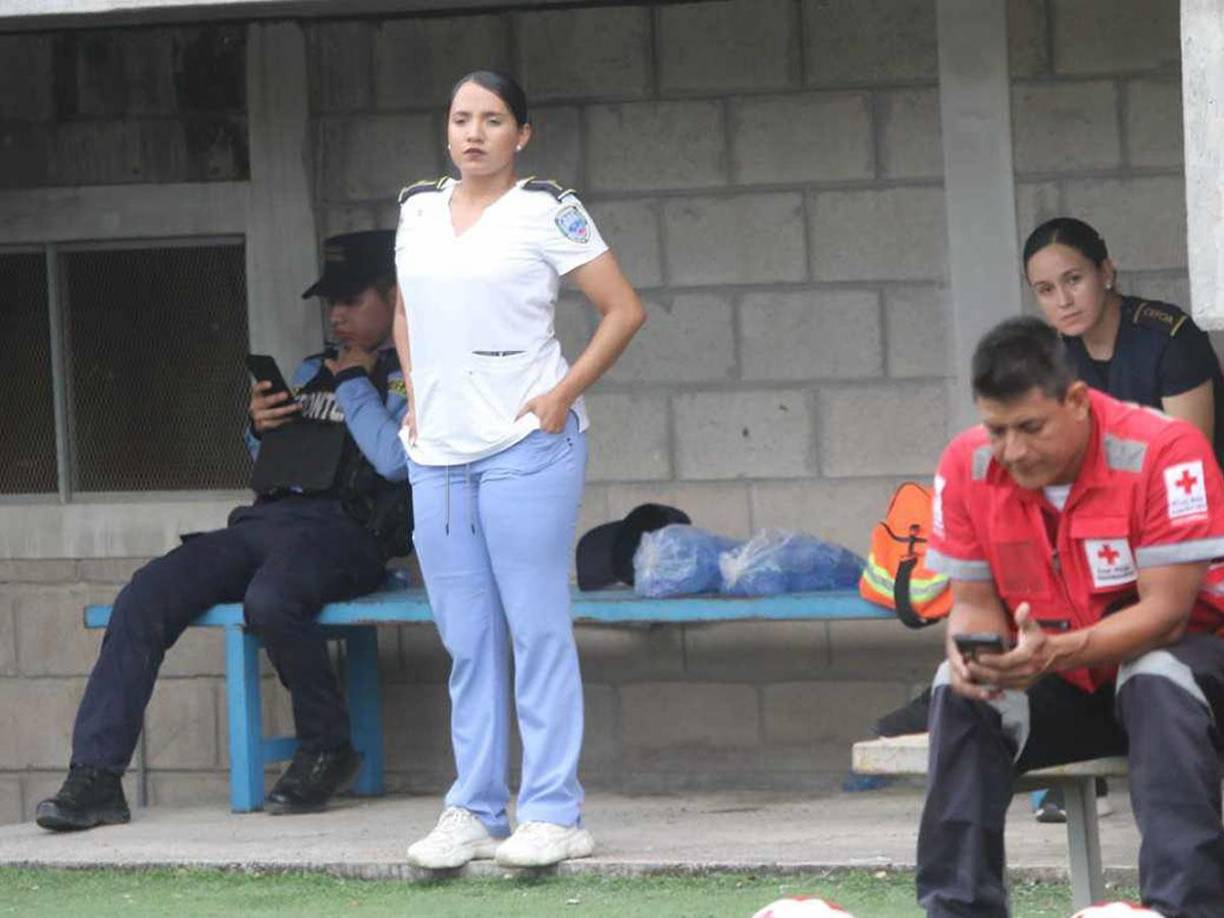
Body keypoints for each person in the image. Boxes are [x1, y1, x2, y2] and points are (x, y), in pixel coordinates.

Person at [35, 230, 413, 830]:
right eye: (330, 303)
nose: (336, 315)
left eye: (352, 299)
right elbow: (277, 457)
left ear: (395, 296)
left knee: (272, 599)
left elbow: (396, 460)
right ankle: (97, 777)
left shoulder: (413, 371)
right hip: (267, 522)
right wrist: (258, 427)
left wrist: (354, 384)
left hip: (347, 533)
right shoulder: (315, 369)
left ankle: (327, 745)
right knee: (147, 593)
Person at [394, 70, 645, 870]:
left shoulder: (546, 210)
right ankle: (470, 807)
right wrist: (415, 395)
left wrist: (562, 393)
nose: (474, 134)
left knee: (534, 628)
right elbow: (405, 311)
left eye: (493, 120)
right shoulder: (416, 210)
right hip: (437, 457)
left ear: (521, 135)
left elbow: (623, 308)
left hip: (526, 446)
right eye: (462, 119)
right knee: (467, 640)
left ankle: (551, 811)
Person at [916, 316, 1224, 918]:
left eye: (1031, 427)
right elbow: (972, 606)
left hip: (1188, 674)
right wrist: (975, 655)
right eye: (996, 429)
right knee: (960, 692)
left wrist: (1055, 652)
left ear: (1077, 400)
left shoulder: (1163, 451)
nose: (1013, 451)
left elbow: (1166, 613)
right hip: (1064, 677)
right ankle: (958, 911)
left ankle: (1185, 910)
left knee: (1158, 674)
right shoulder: (966, 465)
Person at [1024, 215, 1224, 466]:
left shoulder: (1168, 340)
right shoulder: (1054, 356)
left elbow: (1189, 465)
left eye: (1074, 279)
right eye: (1046, 290)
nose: (1063, 301)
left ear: (1106, 272)